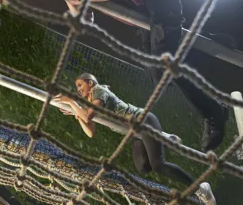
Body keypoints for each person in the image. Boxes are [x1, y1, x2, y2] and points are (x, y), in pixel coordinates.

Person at [41, 0, 229, 152]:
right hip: (145, 24)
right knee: (159, 77)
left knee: (168, 66)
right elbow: (86, 20)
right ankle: (209, 42)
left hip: (158, 4)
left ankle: (214, 113)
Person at [54, 73, 217, 205]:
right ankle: (165, 137)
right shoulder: (90, 101)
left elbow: (88, 116)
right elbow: (90, 132)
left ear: (90, 82)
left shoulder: (98, 91)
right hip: (135, 132)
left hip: (144, 120)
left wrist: (73, 103)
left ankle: (200, 188)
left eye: (80, 85)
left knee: (158, 165)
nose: (78, 90)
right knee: (143, 167)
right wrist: (77, 113)